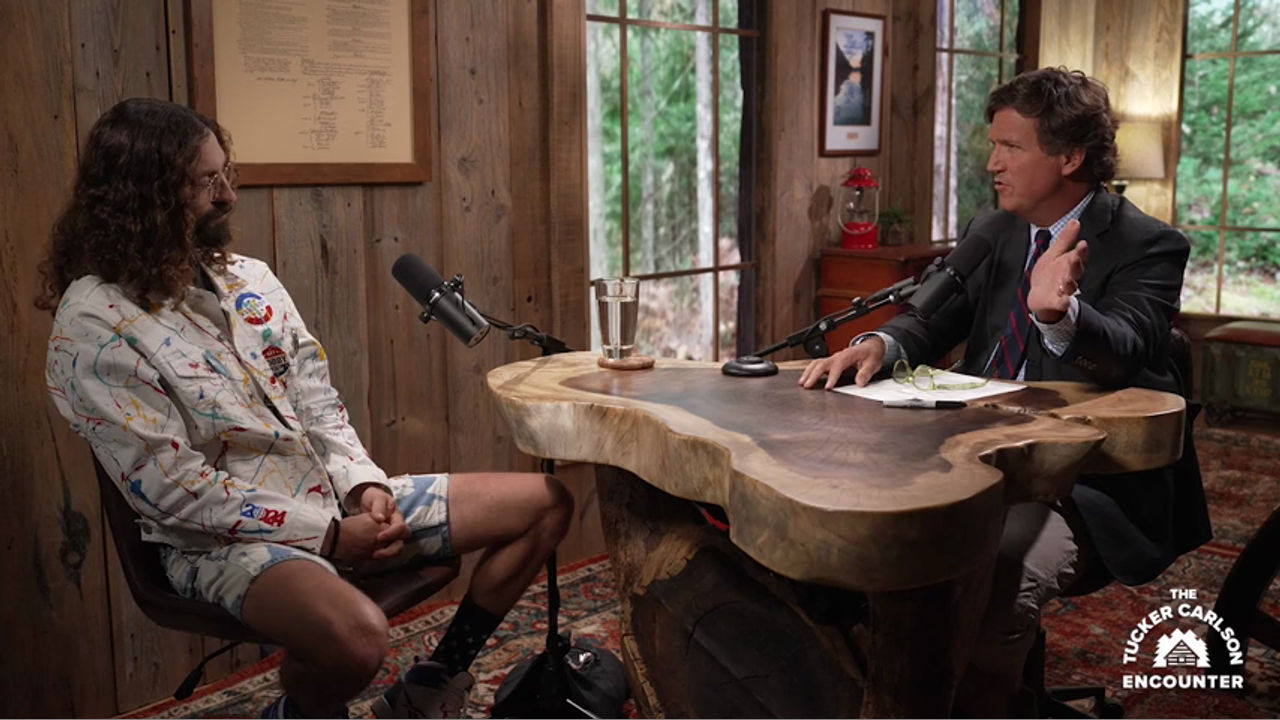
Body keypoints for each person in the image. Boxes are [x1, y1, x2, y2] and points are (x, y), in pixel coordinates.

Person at [38, 98, 573, 720]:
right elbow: (171, 488)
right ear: (143, 196)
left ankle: (432, 684)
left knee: (546, 503)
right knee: (357, 638)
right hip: (218, 543)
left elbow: (318, 404)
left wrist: (364, 487)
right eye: (205, 182)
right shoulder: (93, 325)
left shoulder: (250, 280)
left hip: (329, 498)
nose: (227, 195)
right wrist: (327, 537)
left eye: (225, 172)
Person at [799, 68, 1211, 717]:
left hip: (1078, 484)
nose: (992, 163)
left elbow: (1127, 348)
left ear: (1070, 156)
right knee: (846, 538)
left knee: (986, 586)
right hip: (961, 450)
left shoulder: (1149, 245)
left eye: (1011, 147)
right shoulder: (993, 229)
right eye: (993, 146)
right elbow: (932, 319)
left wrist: (1059, 315)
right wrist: (883, 343)